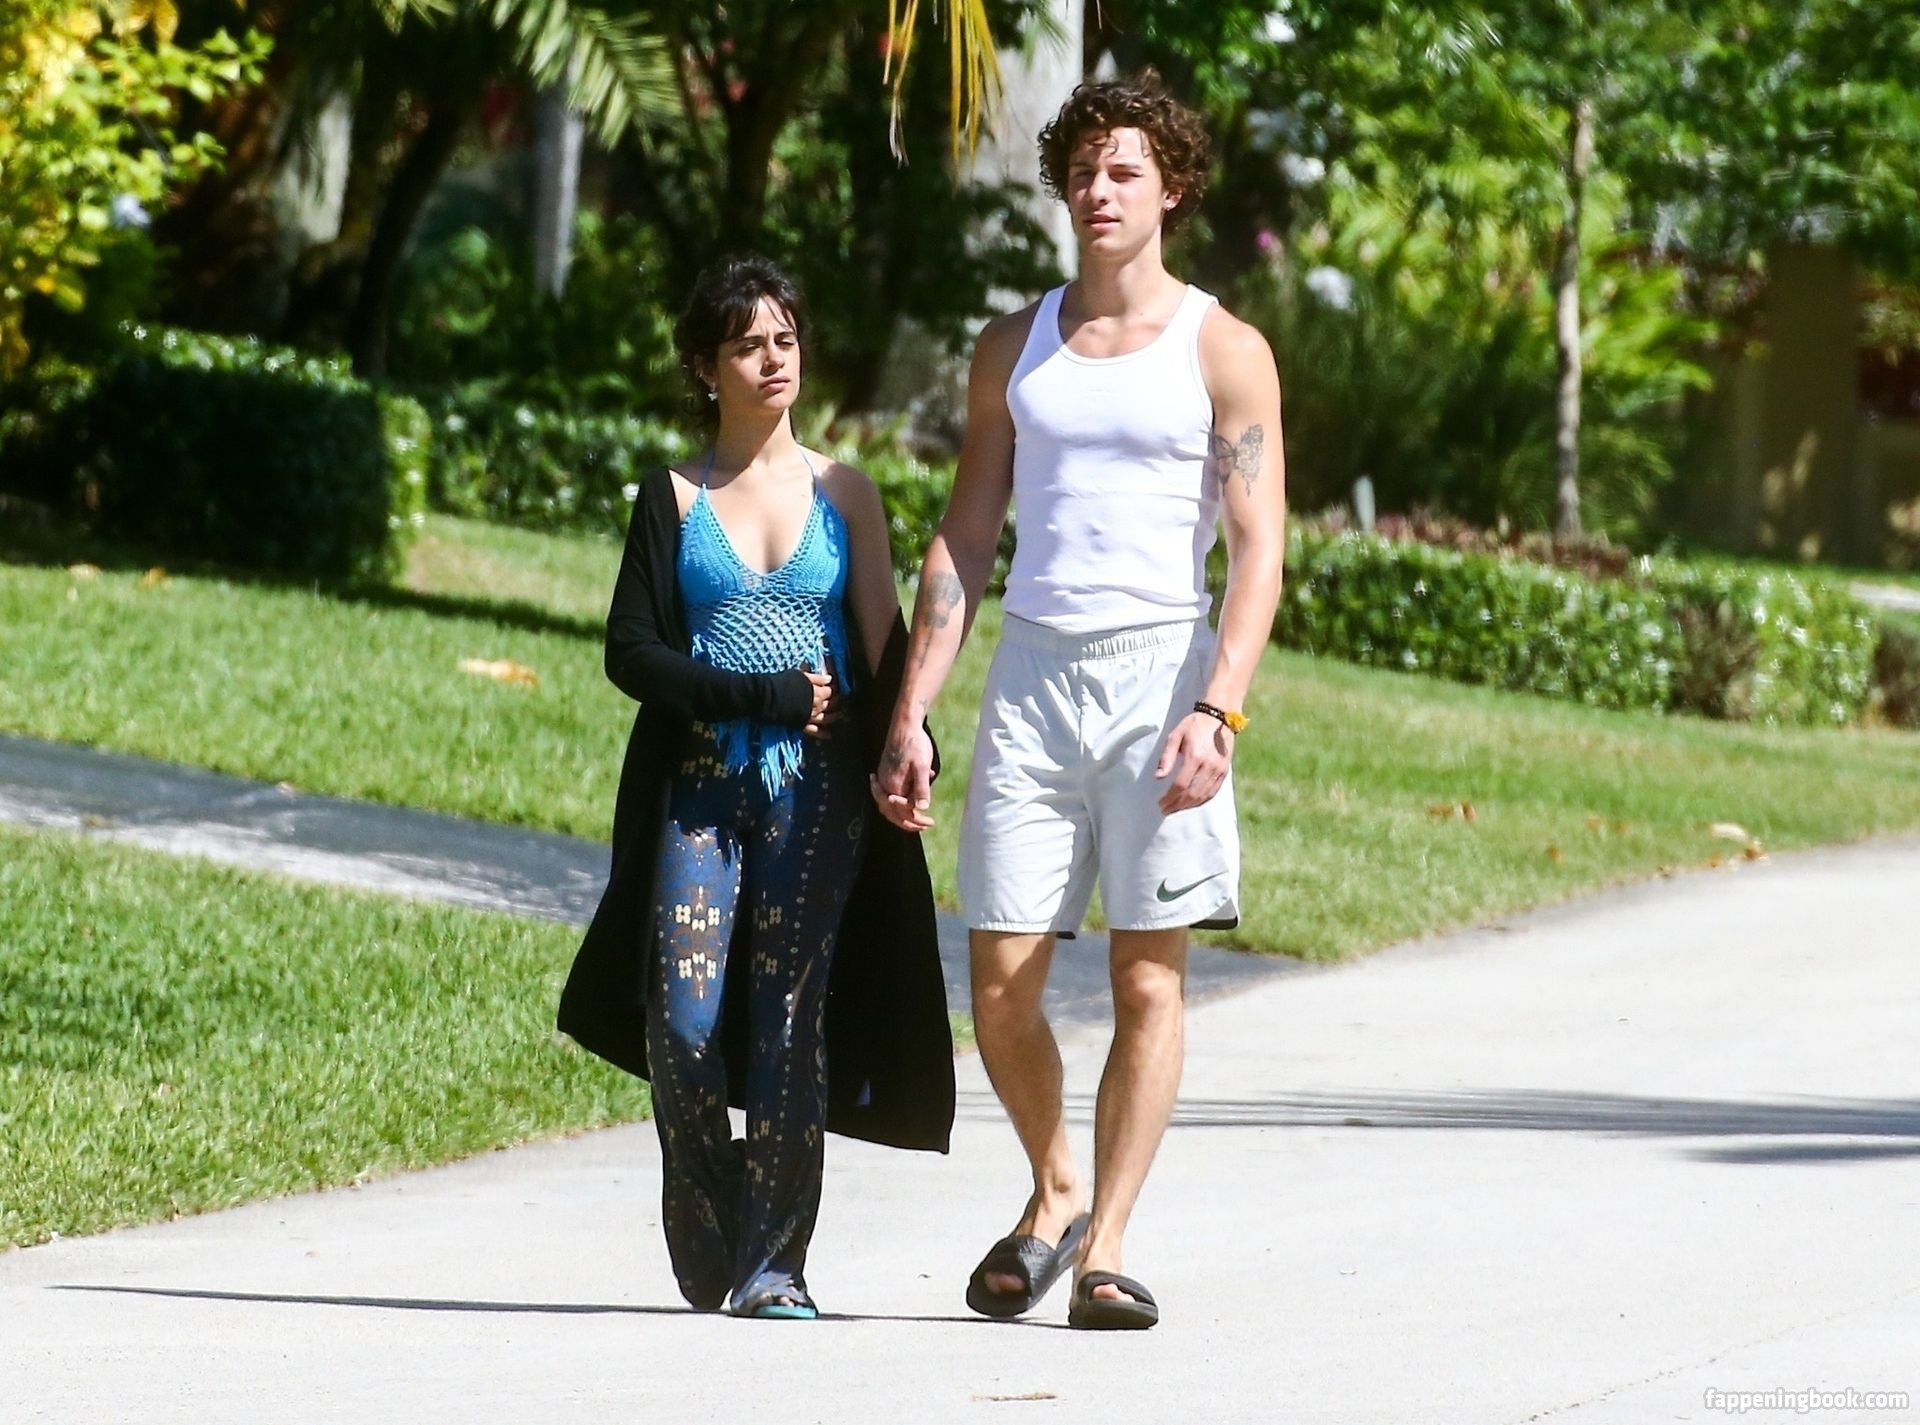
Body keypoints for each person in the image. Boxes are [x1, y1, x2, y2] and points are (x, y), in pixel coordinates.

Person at [871, 72, 1287, 1330]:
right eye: (1083, 171)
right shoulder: (1015, 346)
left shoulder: (1223, 348)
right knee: (1000, 979)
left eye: (1124, 171)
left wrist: (1220, 710)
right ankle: (1054, 1186)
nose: (1098, 191)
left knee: (1148, 980)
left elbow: (1258, 550)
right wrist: (911, 707)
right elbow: (967, 532)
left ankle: (1104, 1246)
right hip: (1033, 679)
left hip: (1162, 680)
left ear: (1172, 188)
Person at [558, 254, 954, 1320]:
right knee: (682, 1024)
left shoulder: (846, 494)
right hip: (698, 790)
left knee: (788, 1019)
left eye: (785, 339)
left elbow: (884, 644)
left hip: (816, 798)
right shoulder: (672, 497)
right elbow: (631, 653)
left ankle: (777, 1263)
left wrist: (911, 741)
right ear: (706, 366)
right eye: (747, 344)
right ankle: (710, 1215)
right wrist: (762, 695)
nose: (773, 360)